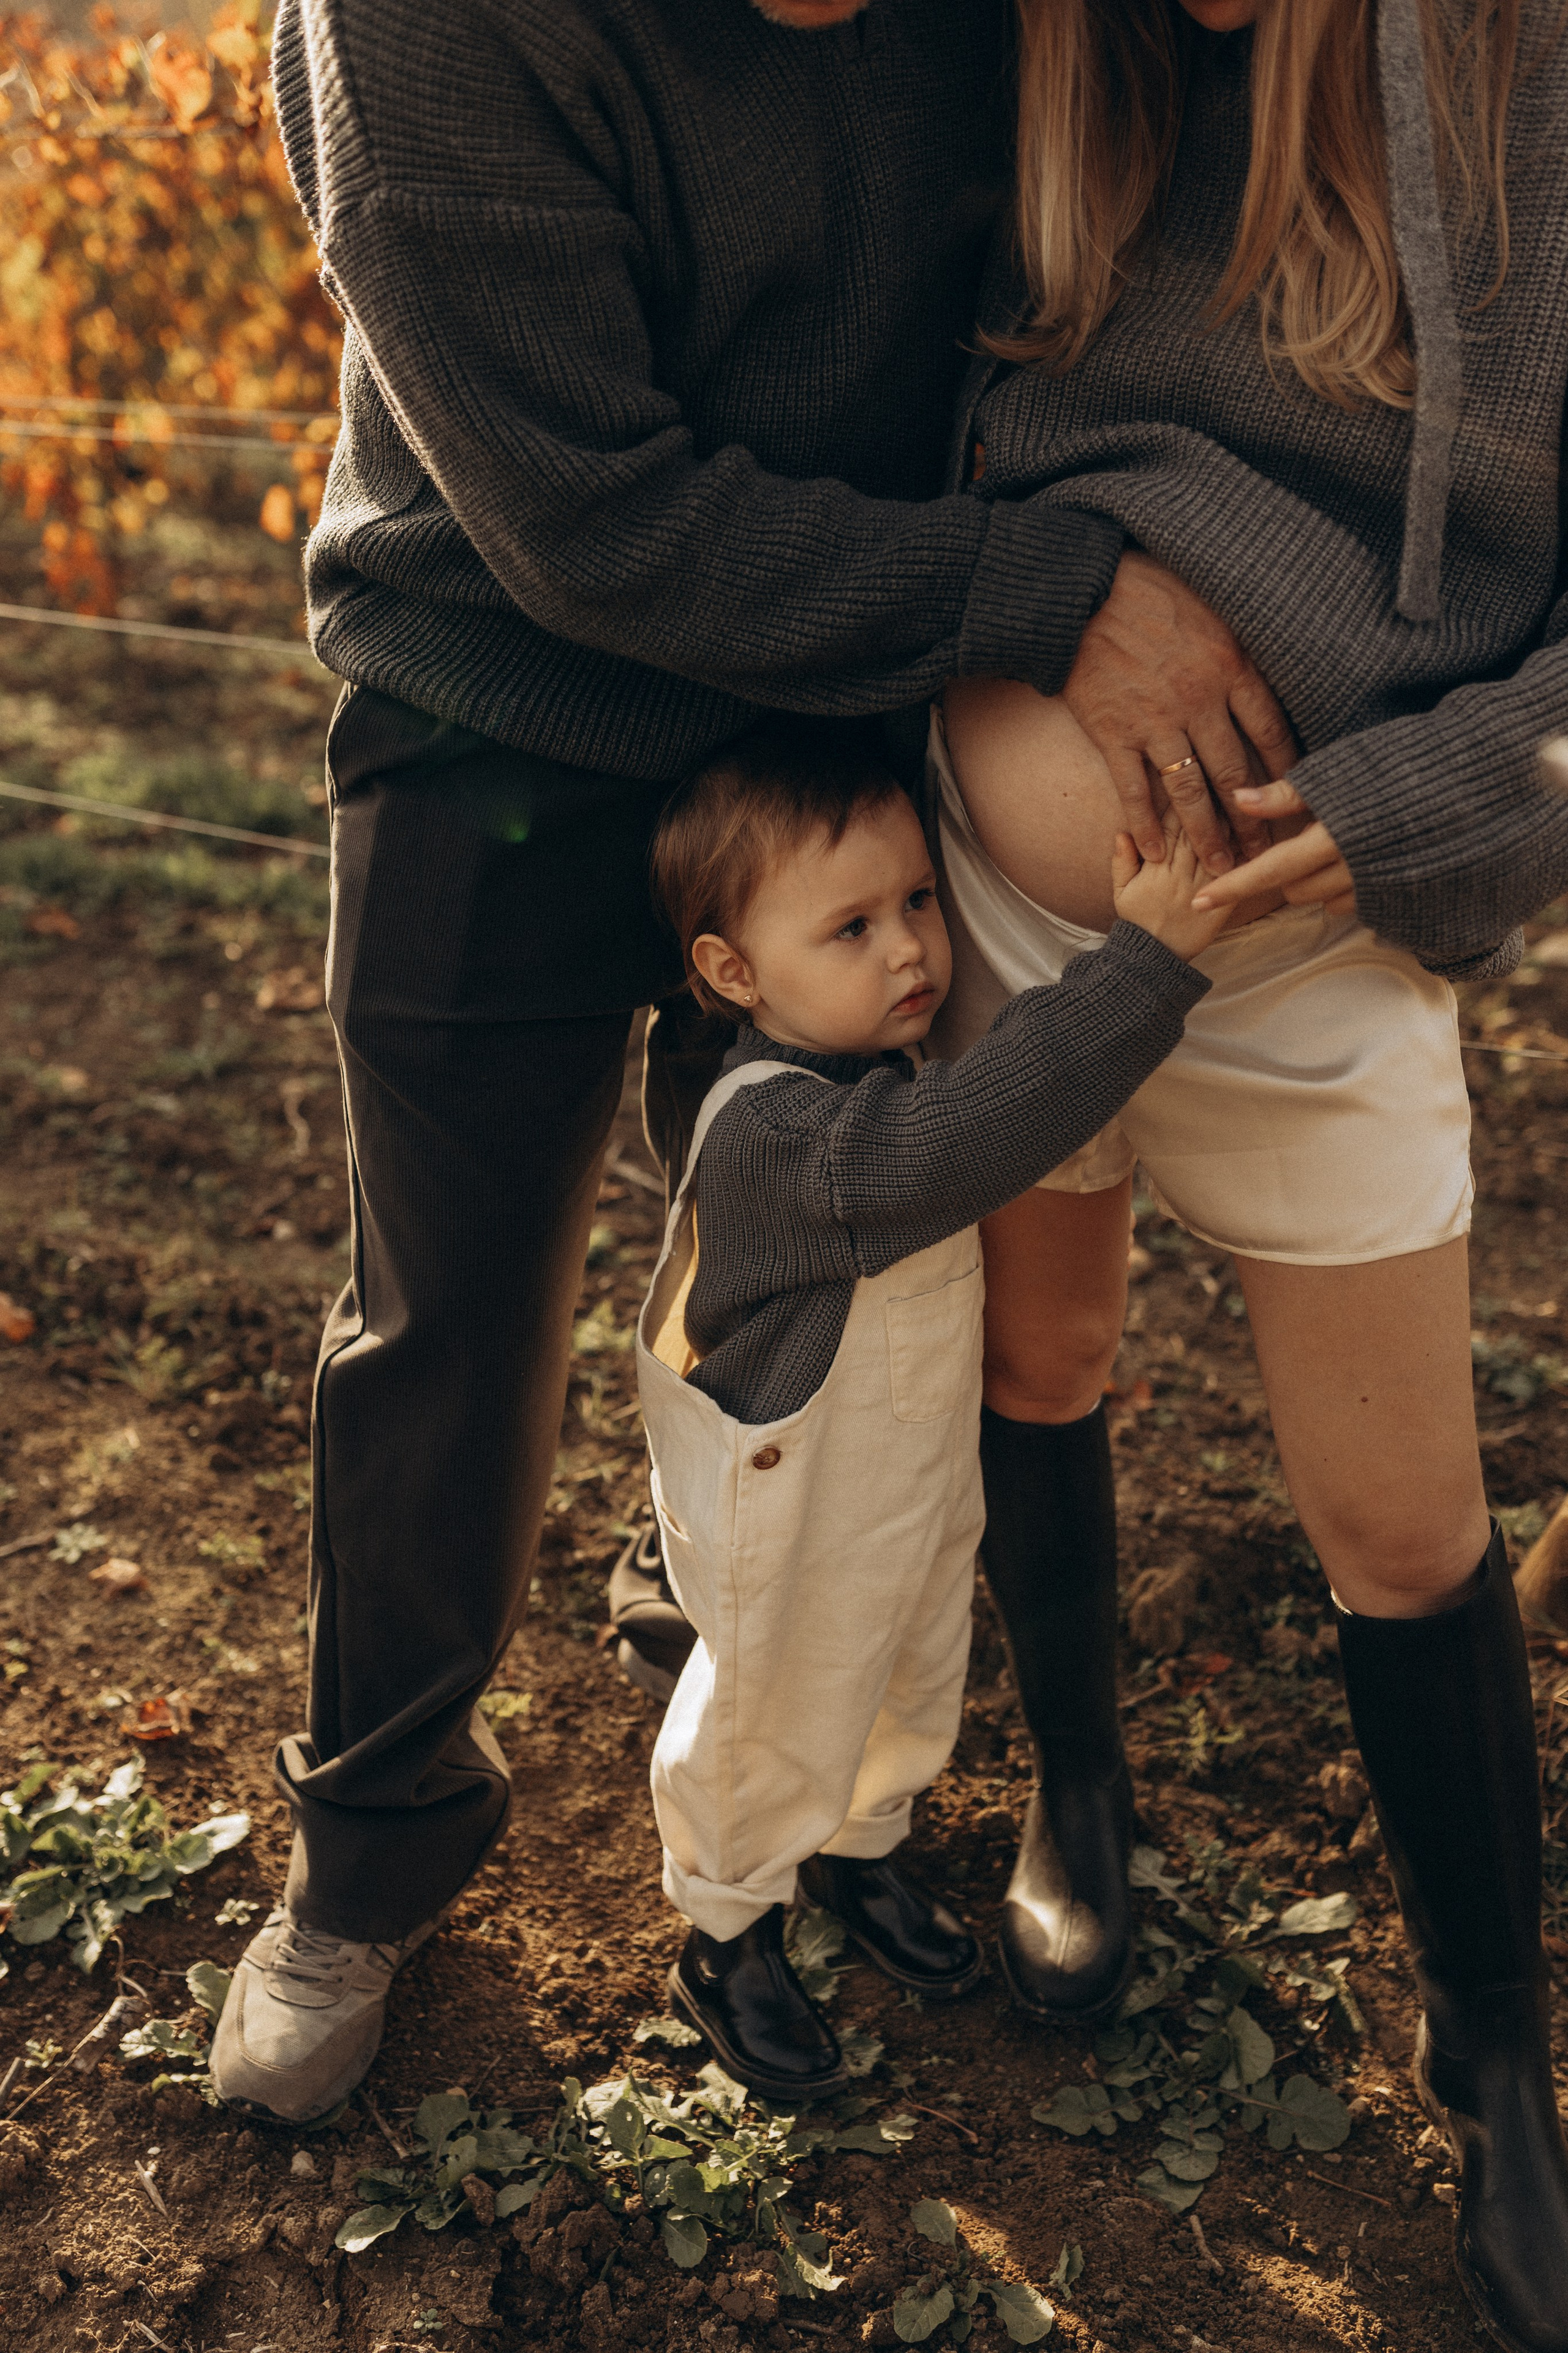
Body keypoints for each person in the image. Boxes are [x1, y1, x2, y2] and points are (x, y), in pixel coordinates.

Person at [211, 0, 1302, 2126]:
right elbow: (595, 526)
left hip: (842, 680)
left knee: (853, 1219)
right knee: (453, 1308)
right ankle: (371, 1846)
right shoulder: (416, 28)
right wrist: (1045, 591)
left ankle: (709, 1557)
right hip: (493, 695)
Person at [929, 1, 1568, 2345]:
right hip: (1005, 903)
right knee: (1049, 1348)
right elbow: (900, 422)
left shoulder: (1522, 92)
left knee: (1403, 1517)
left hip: (1325, 924)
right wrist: (1035, 603)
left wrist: (1409, 811)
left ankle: (1495, 2051)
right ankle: (1078, 1802)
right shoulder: (1045, 69)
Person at [637, 726, 1224, 2101]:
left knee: (907, 1662)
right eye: (848, 925)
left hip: (900, 1471)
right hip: (790, 1498)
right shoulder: (779, 1134)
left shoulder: (874, 1062)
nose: (907, 948)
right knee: (773, 1708)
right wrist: (1143, 970)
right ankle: (726, 1931)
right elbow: (959, 1144)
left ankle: (860, 1845)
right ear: (733, 972)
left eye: (915, 901)